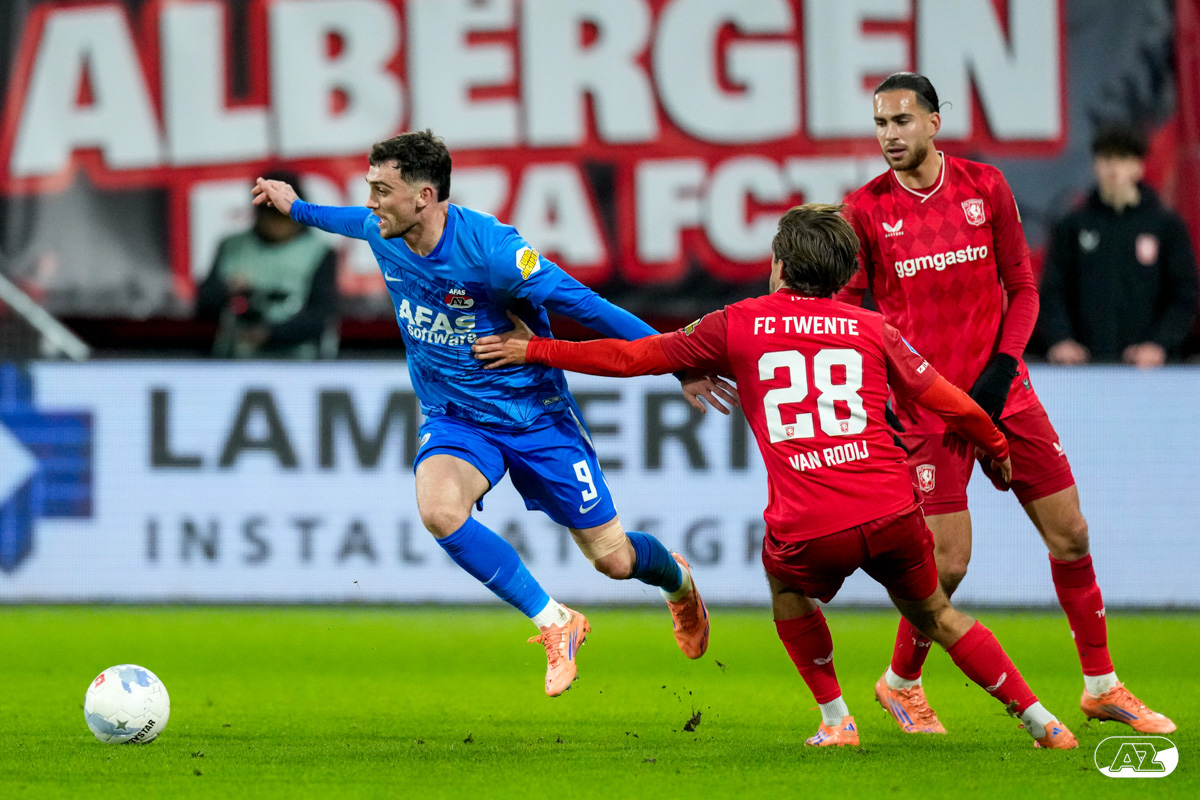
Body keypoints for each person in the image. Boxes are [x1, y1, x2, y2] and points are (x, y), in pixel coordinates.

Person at [474, 203, 1078, 749]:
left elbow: (632, 357)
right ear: (843, 276)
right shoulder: (872, 328)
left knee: (786, 585)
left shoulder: (738, 323)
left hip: (812, 526)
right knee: (938, 616)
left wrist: (535, 350)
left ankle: (836, 721)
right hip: (892, 511)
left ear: (780, 266)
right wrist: (995, 446)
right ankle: (1041, 720)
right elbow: (950, 402)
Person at [251, 130, 732, 696]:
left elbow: (586, 306)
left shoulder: (495, 252)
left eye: (382, 190)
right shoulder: (382, 229)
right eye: (370, 188)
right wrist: (294, 206)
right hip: (455, 417)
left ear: (424, 196)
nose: (370, 203)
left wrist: (678, 363)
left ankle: (677, 581)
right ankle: (555, 621)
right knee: (439, 511)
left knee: (615, 560)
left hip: (535, 417)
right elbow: (339, 218)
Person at [838, 72, 1174, 734]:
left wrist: (1000, 370)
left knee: (1071, 535)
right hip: (928, 410)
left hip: (1005, 394)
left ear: (933, 122)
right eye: (880, 123)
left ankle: (1102, 686)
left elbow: (1023, 288)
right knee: (948, 563)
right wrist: (878, 394)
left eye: (901, 121)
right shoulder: (864, 210)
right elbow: (850, 316)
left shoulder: (984, 187)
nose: (890, 135)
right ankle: (902, 681)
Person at [1040, 125, 1199, 367]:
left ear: (1138, 166)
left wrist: (1159, 344)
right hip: (1085, 367)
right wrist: (1061, 339)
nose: (1114, 169)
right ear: (1096, 165)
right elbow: (1053, 290)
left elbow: (1184, 294)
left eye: (1123, 159)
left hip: (1151, 369)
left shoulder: (1166, 226)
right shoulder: (1072, 225)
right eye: (1107, 159)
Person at [197, 170, 339, 359]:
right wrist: (227, 290)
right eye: (271, 215)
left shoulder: (318, 252)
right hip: (236, 357)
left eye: (284, 216)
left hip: (299, 360)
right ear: (258, 213)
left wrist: (270, 334)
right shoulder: (231, 247)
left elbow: (320, 314)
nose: (277, 226)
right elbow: (205, 305)